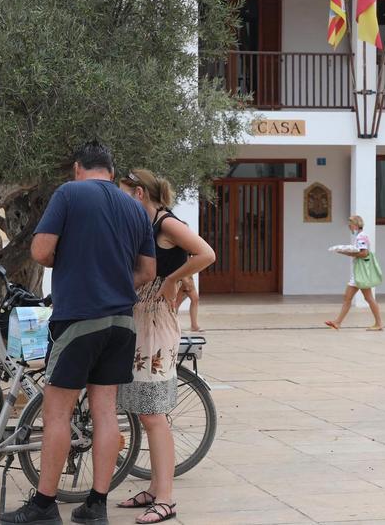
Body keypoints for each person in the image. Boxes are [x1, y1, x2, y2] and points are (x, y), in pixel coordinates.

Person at [0, 141, 156, 525]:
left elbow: (39, 251)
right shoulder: (135, 208)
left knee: (58, 414)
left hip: (78, 320)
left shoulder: (70, 193)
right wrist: (115, 282)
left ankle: (44, 505)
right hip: (121, 323)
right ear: (111, 171)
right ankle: (96, 506)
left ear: (77, 168)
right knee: (105, 413)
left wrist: (71, 263)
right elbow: (148, 272)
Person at [117, 169, 215, 524]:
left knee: (154, 413)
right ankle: (156, 489)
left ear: (139, 193)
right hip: (140, 317)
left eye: (124, 193)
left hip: (156, 320)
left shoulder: (166, 224)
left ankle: (167, 499)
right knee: (145, 410)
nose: (120, 199)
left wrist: (174, 279)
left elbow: (206, 253)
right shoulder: (144, 225)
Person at [325, 215, 383, 331]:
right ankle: (337, 322)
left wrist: (345, 252)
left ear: (355, 225)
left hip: (359, 273)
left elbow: (364, 253)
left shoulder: (361, 237)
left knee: (368, 298)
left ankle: (379, 323)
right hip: (357, 273)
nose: (349, 227)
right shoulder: (361, 236)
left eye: (350, 224)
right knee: (348, 297)